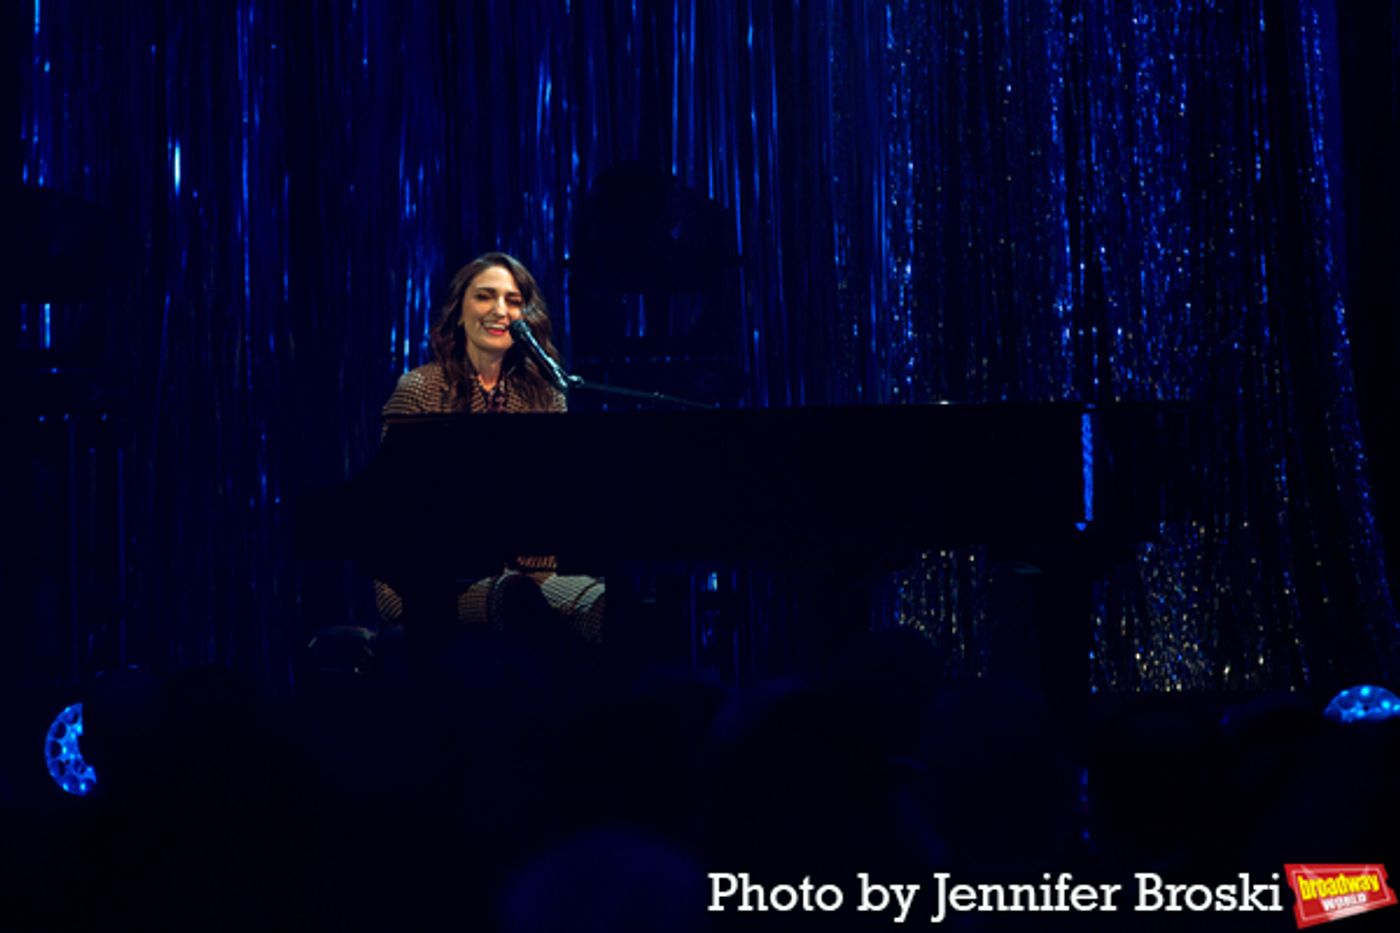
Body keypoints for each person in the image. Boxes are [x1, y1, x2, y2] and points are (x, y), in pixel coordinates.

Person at [374, 252, 604, 641]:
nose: (500, 310)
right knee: (514, 600)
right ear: (458, 313)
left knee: (606, 607)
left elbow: (561, 499)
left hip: (534, 570)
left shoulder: (546, 395)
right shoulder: (418, 389)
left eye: (513, 301)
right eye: (485, 296)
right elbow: (390, 507)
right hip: (432, 579)